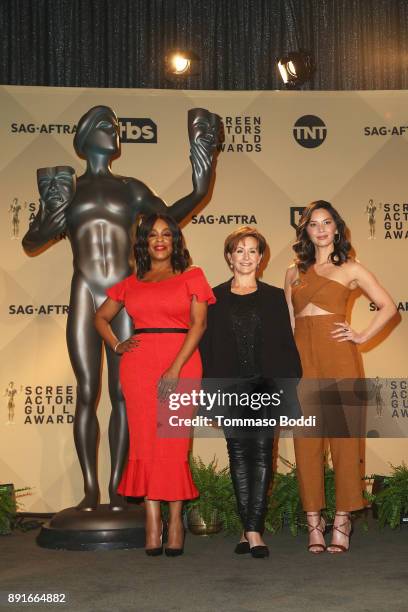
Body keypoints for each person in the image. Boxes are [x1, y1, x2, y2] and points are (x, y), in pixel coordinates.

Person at [22, 105, 218, 512]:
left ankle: (117, 489)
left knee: (123, 395)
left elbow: (168, 220)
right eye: (108, 127)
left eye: (116, 127)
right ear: (87, 135)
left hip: (126, 295)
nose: (116, 133)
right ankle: (90, 491)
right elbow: (32, 242)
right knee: (87, 392)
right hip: (85, 292)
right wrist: (51, 213)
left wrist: (201, 181)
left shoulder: (131, 188)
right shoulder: (67, 187)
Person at [94, 213, 215, 555]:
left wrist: (175, 368)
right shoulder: (131, 281)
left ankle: (175, 521)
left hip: (182, 361)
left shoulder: (193, 276)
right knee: (145, 443)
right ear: (144, 243)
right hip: (138, 366)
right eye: (152, 235)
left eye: (166, 234)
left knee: (173, 444)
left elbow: (199, 324)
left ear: (176, 240)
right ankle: (152, 521)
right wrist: (117, 345)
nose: (159, 240)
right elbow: (100, 317)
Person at [284, 200, 397, 553]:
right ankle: (314, 523)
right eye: (313, 223)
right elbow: (290, 321)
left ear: (336, 228)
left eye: (326, 222)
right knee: (306, 442)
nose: (320, 228)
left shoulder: (351, 268)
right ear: (305, 231)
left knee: (345, 441)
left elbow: (389, 307)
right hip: (303, 358)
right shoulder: (293, 271)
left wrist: (362, 335)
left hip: (340, 357)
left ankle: (344, 521)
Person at [200, 227, 302, 558]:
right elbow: (207, 351)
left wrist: (286, 394)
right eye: (239, 250)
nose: (246, 256)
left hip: (265, 388)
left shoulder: (273, 297)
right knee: (239, 458)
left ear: (261, 258)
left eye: (252, 251)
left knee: (260, 457)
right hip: (229, 390)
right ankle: (249, 530)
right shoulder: (213, 298)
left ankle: (254, 532)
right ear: (229, 257)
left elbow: (286, 348)